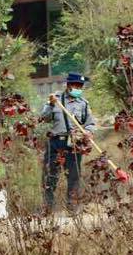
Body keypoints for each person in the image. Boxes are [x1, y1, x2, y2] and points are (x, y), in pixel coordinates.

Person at [39, 72, 95, 212]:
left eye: (80, 86)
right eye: (76, 85)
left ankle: (72, 208)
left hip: (74, 144)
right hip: (55, 142)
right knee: (50, 175)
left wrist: (88, 132)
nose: (78, 88)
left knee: (74, 176)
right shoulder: (56, 99)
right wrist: (50, 105)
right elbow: (44, 118)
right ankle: (47, 208)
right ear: (68, 85)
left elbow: (90, 123)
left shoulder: (83, 104)